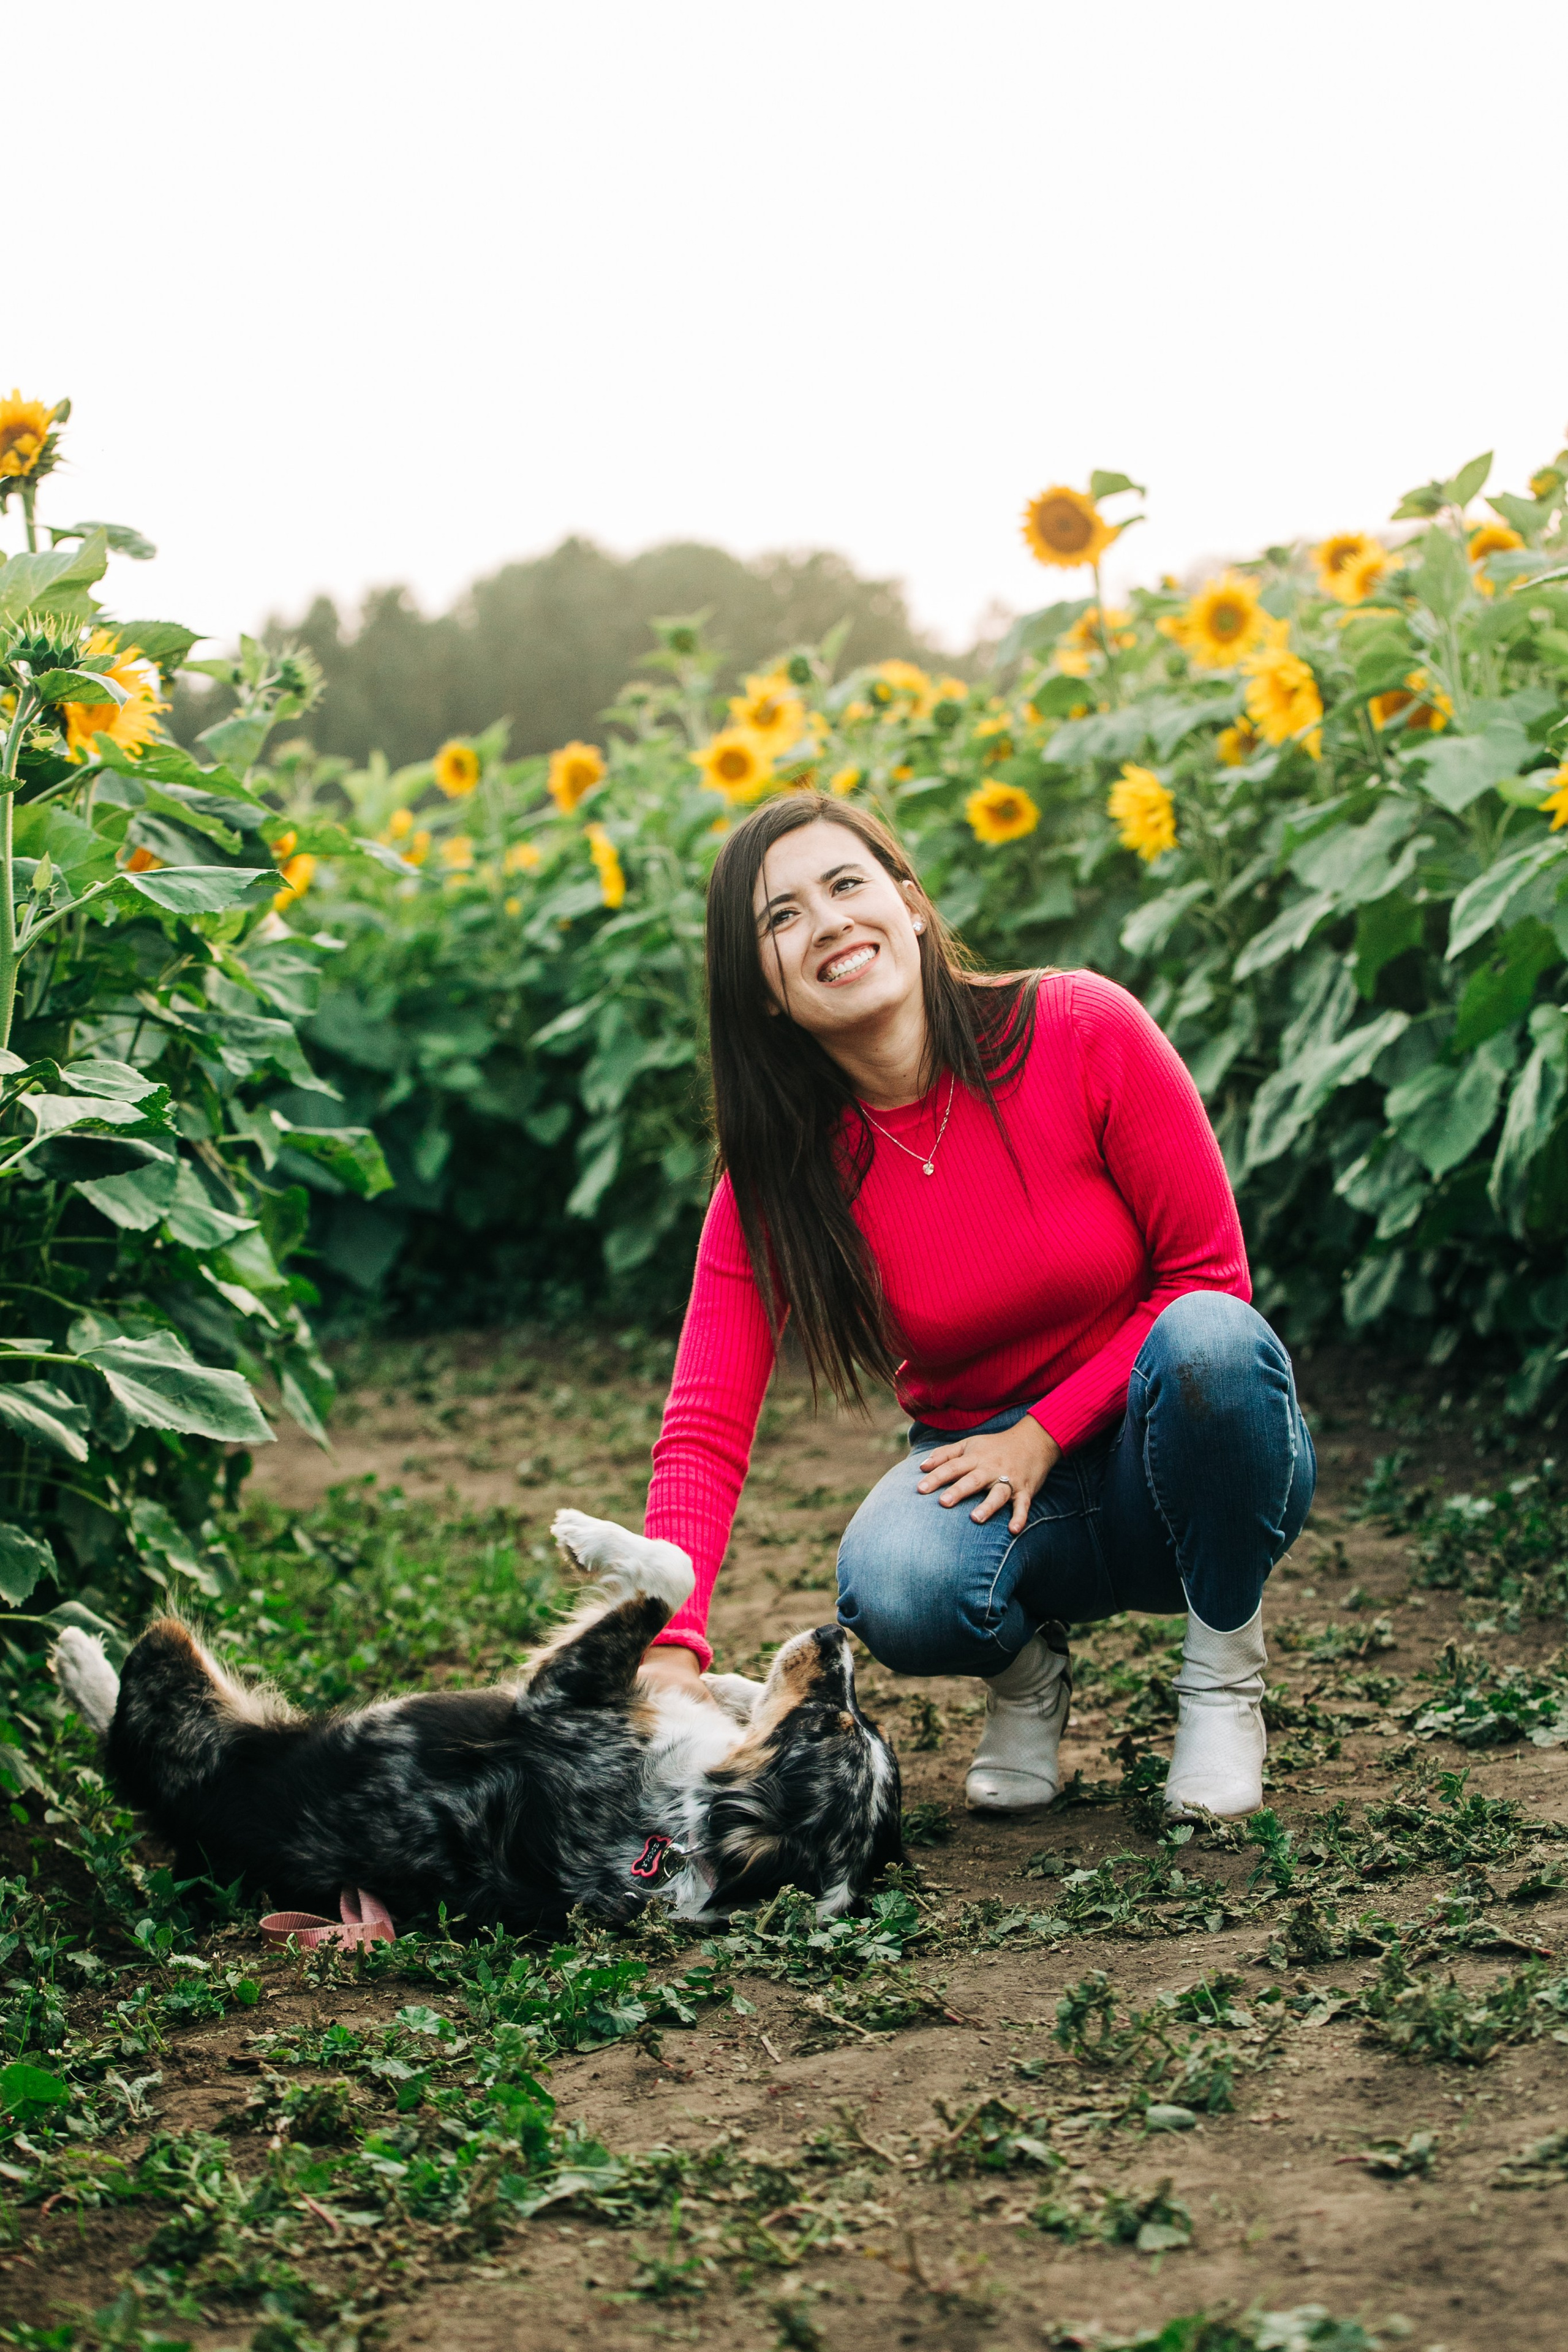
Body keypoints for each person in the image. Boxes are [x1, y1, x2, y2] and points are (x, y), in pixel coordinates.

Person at [636, 791, 1314, 1817]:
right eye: (781, 918)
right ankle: (1027, 1685)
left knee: (1213, 1343)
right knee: (894, 1580)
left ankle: (1223, 1681)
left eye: (847, 884)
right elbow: (704, 1429)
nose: (827, 923)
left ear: (909, 904)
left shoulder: (1081, 1027)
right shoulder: (777, 1181)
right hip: (997, 1494)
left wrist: (1045, 1431)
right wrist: (670, 1643)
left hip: (1171, 1447)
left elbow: (1210, 1275)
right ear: (764, 991)